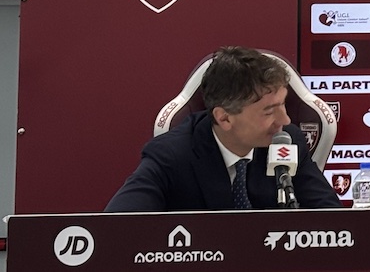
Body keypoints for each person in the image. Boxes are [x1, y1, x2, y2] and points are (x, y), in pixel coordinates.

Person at [106, 47, 341, 211]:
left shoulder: (287, 141)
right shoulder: (172, 156)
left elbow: (333, 221)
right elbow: (118, 226)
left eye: (283, 105)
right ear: (224, 118)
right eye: (269, 111)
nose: (285, 120)